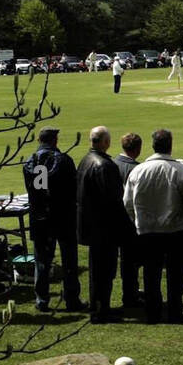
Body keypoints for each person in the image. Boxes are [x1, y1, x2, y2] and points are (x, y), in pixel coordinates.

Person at [124, 128, 183, 324]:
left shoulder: (138, 170)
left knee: (151, 272)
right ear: (170, 145)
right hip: (176, 230)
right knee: (177, 273)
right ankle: (175, 311)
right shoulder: (180, 170)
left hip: (148, 230)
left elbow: (127, 202)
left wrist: (138, 221)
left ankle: (153, 312)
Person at [21, 126, 82, 314]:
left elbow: (37, 189)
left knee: (42, 261)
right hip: (63, 217)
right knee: (69, 260)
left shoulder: (31, 162)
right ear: (54, 141)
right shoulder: (63, 160)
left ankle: (42, 299)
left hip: (40, 217)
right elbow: (74, 190)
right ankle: (71, 299)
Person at [76, 125, 127, 323]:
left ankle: (99, 306)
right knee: (104, 270)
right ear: (105, 142)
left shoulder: (85, 161)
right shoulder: (104, 165)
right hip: (104, 228)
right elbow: (114, 200)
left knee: (98, 269)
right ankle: (100, 310)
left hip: (91, 225)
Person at [114, 132, 143, 308]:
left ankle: (130, 291)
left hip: (114, 220)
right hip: (131, 221)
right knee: (132, 261)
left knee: (125, 260)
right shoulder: (137, 169)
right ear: (138, 148)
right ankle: (131, 293)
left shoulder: (111, 164)